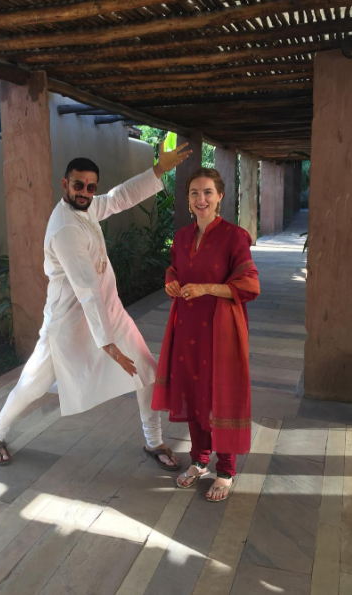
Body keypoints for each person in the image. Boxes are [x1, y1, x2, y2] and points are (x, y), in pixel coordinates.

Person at [0, 142, 192, 469]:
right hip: (67, 321)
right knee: (33, 385)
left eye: (91, 187)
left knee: (146, 371)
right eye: (78, 185)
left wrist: (158, 169)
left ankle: (154, 441)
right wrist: (108, 345)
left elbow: (119, 197)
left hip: (108, 313)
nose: (85, 192)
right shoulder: (65, 227)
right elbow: (87, 290)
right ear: (65, 184)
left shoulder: (86, 208)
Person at [152, 168, 260, 502]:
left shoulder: (234, 236)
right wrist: (172, 282)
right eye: (195, 193)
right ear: (188, 199)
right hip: (187, 326)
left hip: (220, 329)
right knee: (193, 389)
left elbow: (250, 284)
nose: (201, 199)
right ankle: (200, 460)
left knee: (219, 394)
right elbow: (175, 268)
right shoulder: (182, 237)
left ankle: (226, 469)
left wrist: (206, 288)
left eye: (208, 192)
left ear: (220, 196)